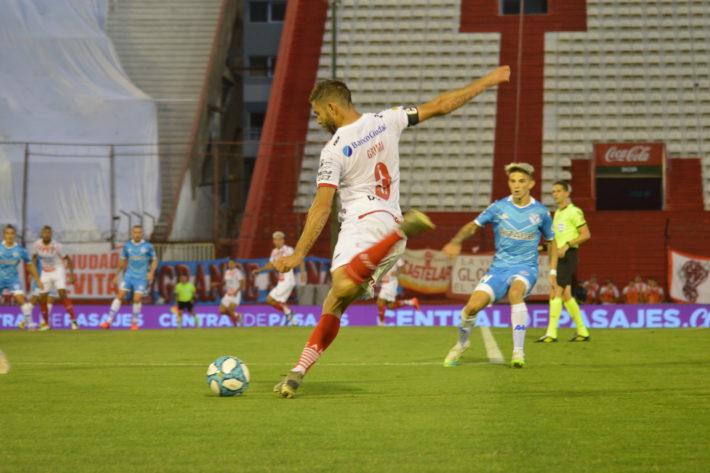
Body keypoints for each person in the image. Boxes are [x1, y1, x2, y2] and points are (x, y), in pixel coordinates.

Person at [271, 66, 510, 397]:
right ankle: (298, 371)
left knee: (340, 284)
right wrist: (486, 81)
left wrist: (297, 253)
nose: (317, 121)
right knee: (334, 303)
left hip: (364, 224)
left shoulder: (334, 150)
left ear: (331, 108)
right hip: (389, 224)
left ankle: (397, 235)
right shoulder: (387, 119)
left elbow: (321, 207)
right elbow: (441, 105)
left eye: (316, 114)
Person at [442, 162, 557, 368]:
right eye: (513, 181)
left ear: (531, 183)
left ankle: (518, 352)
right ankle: (461, 344)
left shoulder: (541, 212)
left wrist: (553, 271)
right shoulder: (498, 207)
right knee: (471, 307)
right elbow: (473, 226)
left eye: (522, 181)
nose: (516, 185)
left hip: (526, 268)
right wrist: (455, 241)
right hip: (498, 269)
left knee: (515, 294)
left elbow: (552, 242)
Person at [538, 181, 591, 343]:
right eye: (553, 192)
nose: (555, 194)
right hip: (560, 257)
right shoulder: (558, 214)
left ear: (567, 193)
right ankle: (582, 331)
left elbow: (586, 234)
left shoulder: (574, 211)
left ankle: (551, 333)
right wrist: (541, 247)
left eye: (558, 191)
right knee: (566, 295)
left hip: (569, 255)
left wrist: (567, 245)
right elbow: (555, 240)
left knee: (555, 291)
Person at [101, 225, 157, 330]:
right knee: (120, 295)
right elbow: (122, 262)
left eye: (139, 232)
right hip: (129, 275)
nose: (137, 234)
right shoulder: (127, 246)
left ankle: (134, 323)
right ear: (132, 233)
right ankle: (108, 321)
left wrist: (151, 273)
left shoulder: (148, 246)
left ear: (142, 234)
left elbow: (154, 260)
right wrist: (116, 275)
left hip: (141, 277)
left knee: (136, 298)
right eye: (135, 232)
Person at [31, 225, 79, 331]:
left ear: (51, 234)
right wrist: (36, 277)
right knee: (42, 297)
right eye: (45, 233)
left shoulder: (57, 246)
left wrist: (72, 275)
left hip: (57, 270)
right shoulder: (36, 245)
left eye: (49, 233)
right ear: (42, 234)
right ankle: (46, 324)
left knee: (62, 293)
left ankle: (73, 321)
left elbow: (68, 260)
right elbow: (33, 260)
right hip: (45, 272)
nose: (47, 234)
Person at [251, 231, 304, 323]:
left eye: (279, 239)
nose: (277, 241)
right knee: (276, 301)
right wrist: (259, 270)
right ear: (273, 241)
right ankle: (292, 318)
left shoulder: (288, 250)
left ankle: (289, 313)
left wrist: (303, 272)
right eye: (275, 240)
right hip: (281, 280)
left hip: (288, 279)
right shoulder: (274, 252)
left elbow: (299, 259)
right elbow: (270, 265)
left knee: (269, 299)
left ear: (283, 240)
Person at [1, 224, 42, 331]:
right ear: (3, 235)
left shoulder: (20, 250)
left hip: (13, 279)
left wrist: (37, 279)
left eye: (12, 233)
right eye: (7, 233)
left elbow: (30, 265)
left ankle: (30, 324)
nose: (9, 236)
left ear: (15, 235)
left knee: (21, 300)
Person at [375, 258, 419, 326]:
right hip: (384, 283)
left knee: (380, 302)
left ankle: (381, 324)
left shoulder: (396, 256)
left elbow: (403, 268)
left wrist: (396, 273)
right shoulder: (383, 256)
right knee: (391, 306)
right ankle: (411, 302)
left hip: (391, 283)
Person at [219, 259, 245, 326]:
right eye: (229, 263)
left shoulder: (237, 272)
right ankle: (237, 315)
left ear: (234, 264)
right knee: (221, 310)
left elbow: (242, 283)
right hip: (228, 294)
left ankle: (235, 323)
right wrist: (217, 284)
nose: (230, 265)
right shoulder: (227, 272)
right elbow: (226, 282)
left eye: (231, 263)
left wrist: (237, 291)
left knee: (231, 310)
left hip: (235, 294)